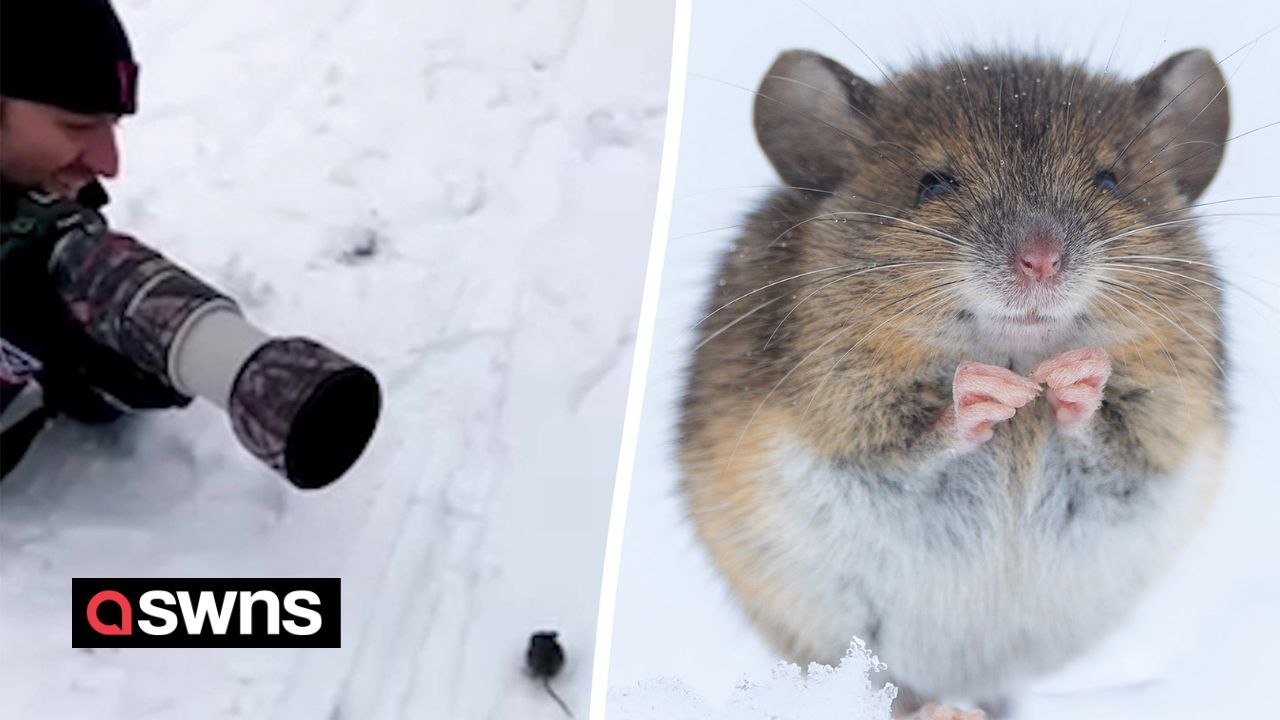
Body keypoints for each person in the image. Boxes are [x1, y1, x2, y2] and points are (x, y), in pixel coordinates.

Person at [1, 0, 188, 477]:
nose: (109, 163)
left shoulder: (32, 205)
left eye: (112, 125)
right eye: (77, 126)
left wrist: (81, 365)